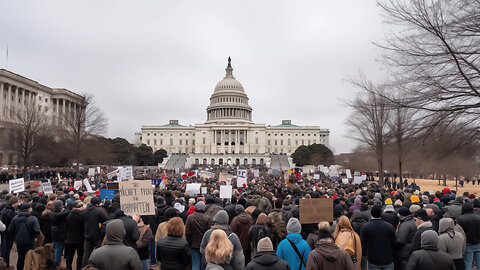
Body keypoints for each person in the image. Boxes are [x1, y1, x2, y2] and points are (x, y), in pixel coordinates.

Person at [360, 204, 396, 270]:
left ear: (371, 214)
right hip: (387, 259)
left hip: (373, 259)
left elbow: (363, 243)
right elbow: (394, 242)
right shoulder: (389, 227)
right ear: (381, 214)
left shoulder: (365, 227)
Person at [8, 203, 40, 270]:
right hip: (30, 241)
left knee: (20, 257)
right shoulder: (33, 219)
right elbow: (37, 230)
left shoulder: (15, 218)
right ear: (29, 209)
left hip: (19, 241)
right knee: (30, 257)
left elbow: (10, 230)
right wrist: (34, 235)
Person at [82, 197, 108, 267]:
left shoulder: (85, 210)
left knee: (87, 253)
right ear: (97, 204)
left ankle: (84, 267)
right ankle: (99, 266)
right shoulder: (99, 210)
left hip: (87, 234)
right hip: (97, 235)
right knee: (99, 252)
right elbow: (106, 219)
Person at [185, 201, 211, 270]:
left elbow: (187, 232)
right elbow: (209, 232)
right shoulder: (207, 218)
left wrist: (188, 241)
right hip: (204, 244)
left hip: (193, 244)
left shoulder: (190, 217)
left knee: (195, 263)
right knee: (204, 263)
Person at [456, 202, 480, 270]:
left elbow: (458, 232)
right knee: (479, 263)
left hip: (467, 244)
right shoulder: (478, 217)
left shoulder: (460, 219)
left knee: (467, 264)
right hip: (478, 243)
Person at [65, 201, 85, 270]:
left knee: (70, 255)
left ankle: (68, 267)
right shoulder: (82, 216)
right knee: (80, 255)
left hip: (70, 238)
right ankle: (78, 268)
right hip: (80, 238)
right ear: (80, 207)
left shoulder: (69, 215)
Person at [50, 200, 69, 266]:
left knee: (55, 247)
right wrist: (65, 208)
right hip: (59, 234)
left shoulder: (52, 213)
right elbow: (67, 212)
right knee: (58, 248)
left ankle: (53, 259)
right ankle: (56, 262)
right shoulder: (59, 215)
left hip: (54, 232)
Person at [0, 196, 18, 268]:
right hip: (8, 233)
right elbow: (13, 223)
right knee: (6, 249)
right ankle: (5, 264)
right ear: (14, 203)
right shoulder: (10, 212)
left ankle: (4, 263)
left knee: (4, 248)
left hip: (5, 232)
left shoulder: (5, 209)